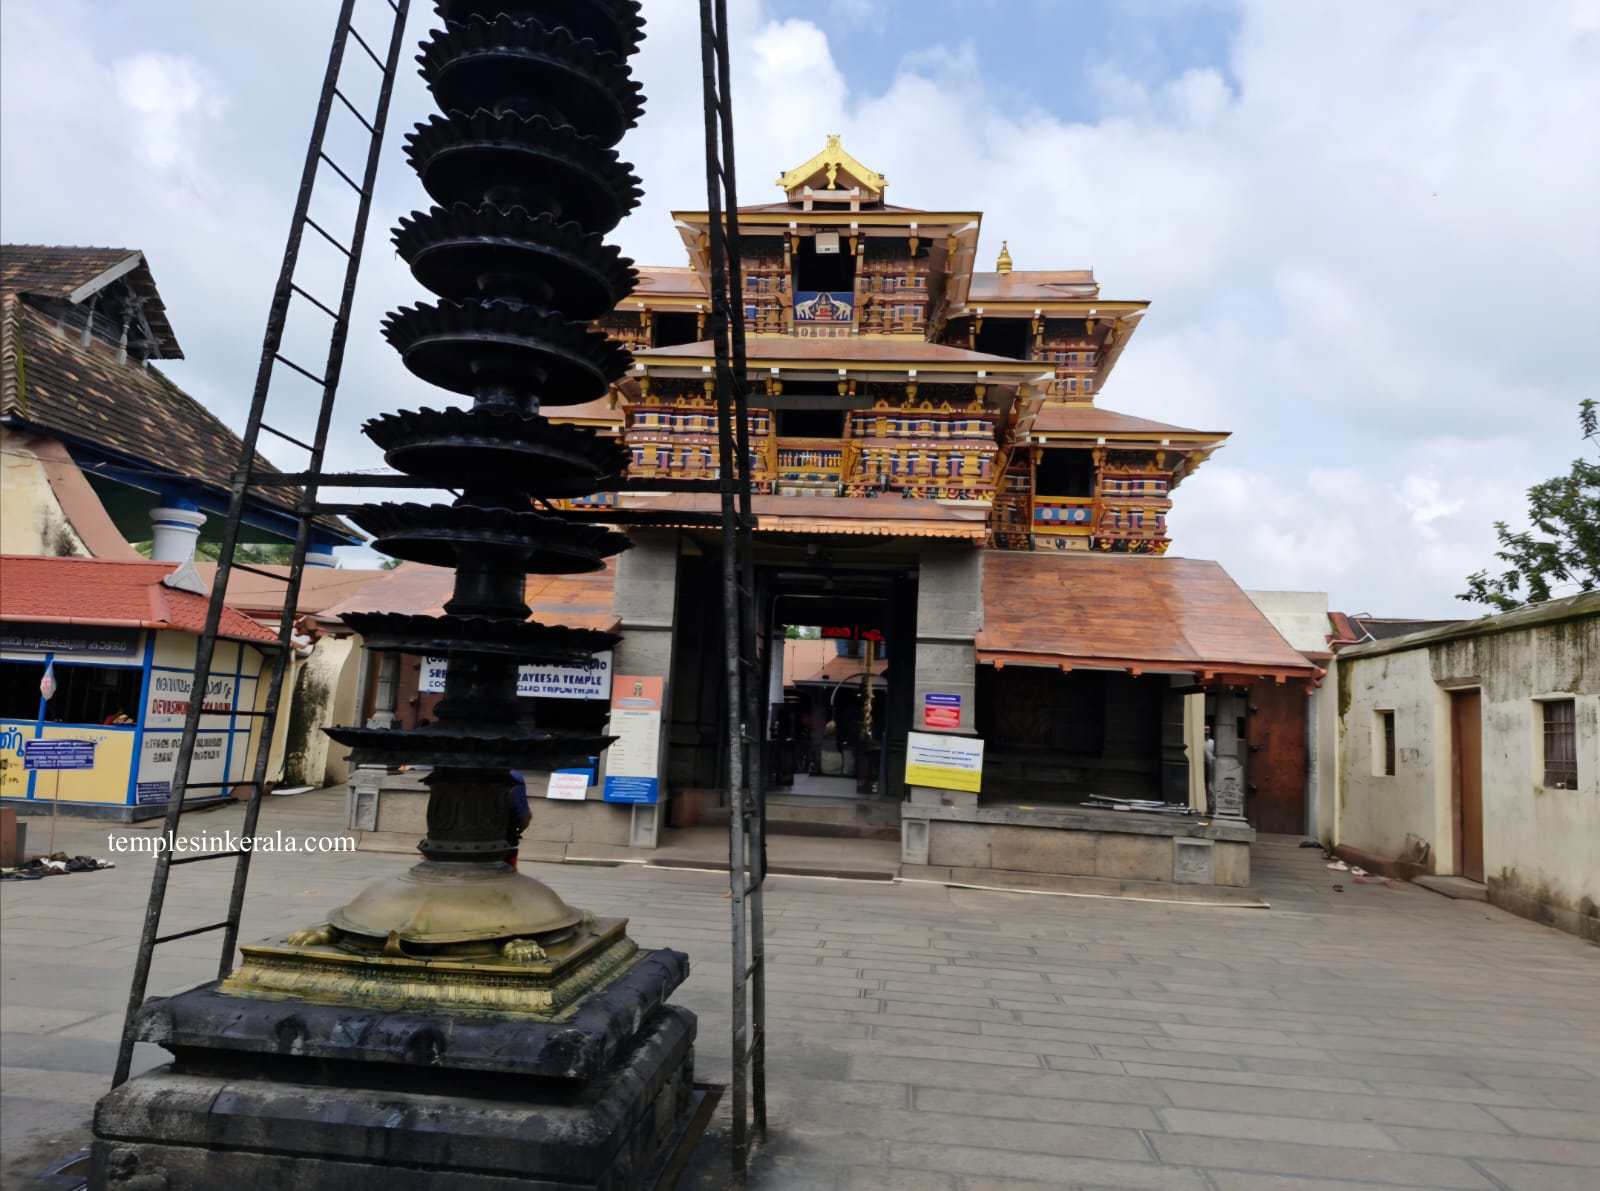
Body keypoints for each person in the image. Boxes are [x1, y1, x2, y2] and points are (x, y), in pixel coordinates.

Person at [507, 771, 532, 870]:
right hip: (504, 840)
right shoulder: (514, 777)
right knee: (507, 874)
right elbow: (525, 816)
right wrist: (519, 830)